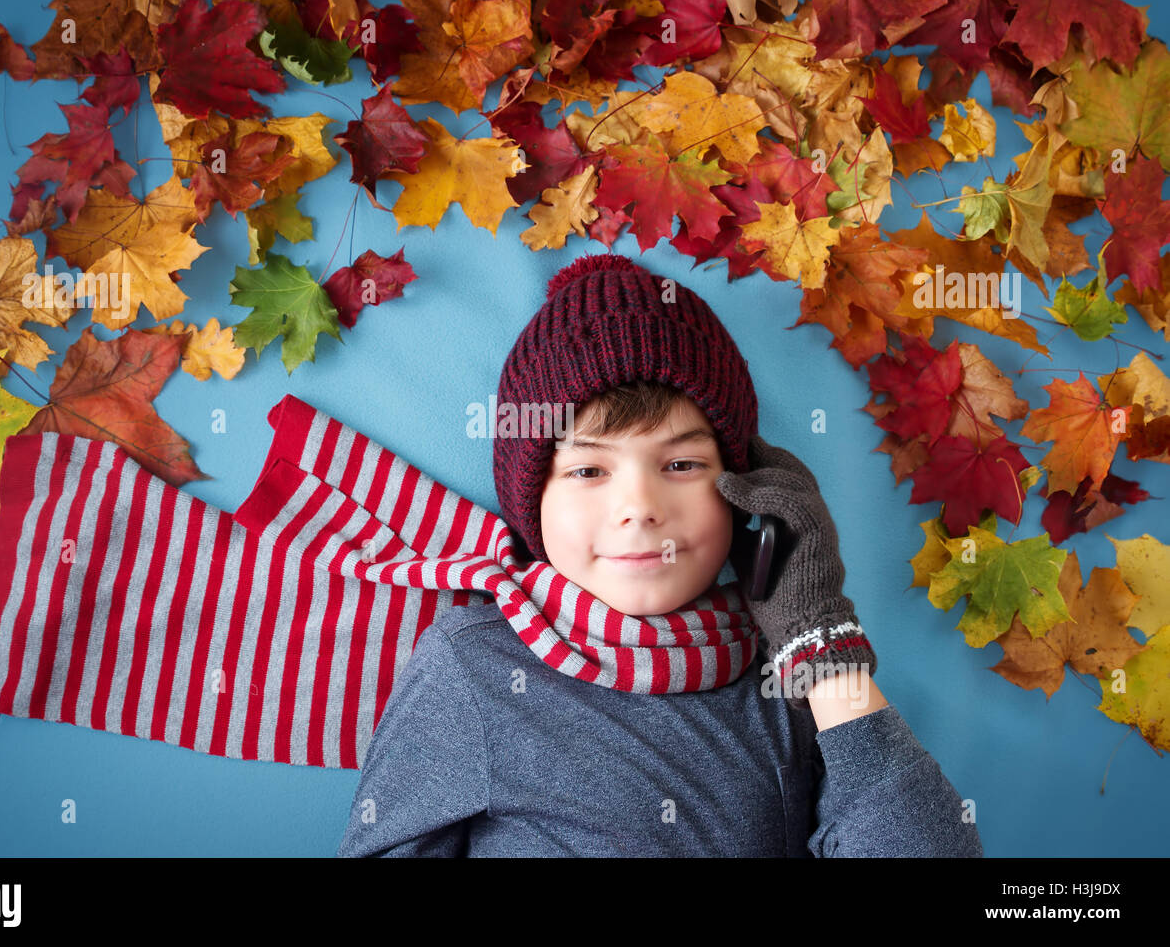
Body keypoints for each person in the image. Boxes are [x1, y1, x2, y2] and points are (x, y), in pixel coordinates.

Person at [336, 254, 983, 856]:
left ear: (744, 487)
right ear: (531, 501)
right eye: (589, 471)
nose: (639, 505)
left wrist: (822, 644)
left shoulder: (784, 674)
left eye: (681, 463)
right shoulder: (472, 666)